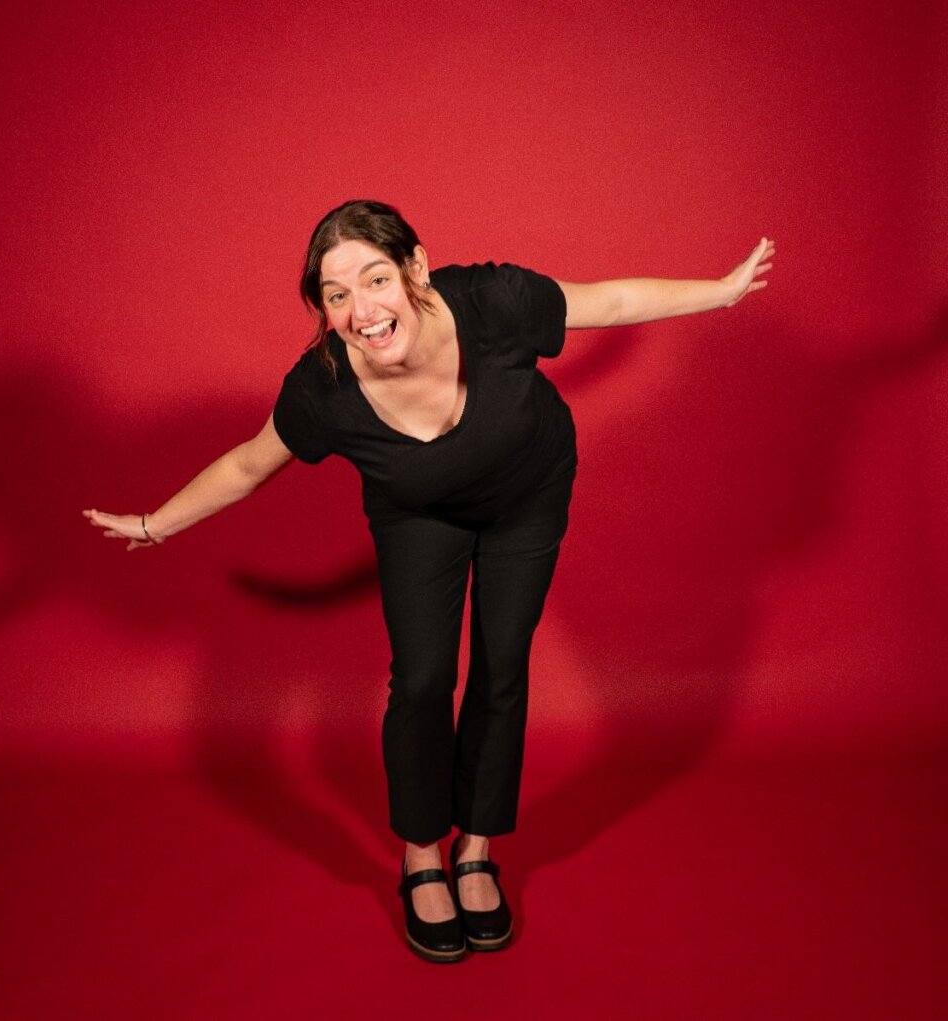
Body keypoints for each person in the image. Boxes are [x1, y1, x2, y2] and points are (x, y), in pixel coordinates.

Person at [84, 199, 775, 963]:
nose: (362, 310)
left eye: (376, 278)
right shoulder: (323, 388)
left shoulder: (492, 301)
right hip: (418, 513)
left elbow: (603, 301)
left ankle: (476, 847)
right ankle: (422, 853)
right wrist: (154, 524)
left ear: (415, 267)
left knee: (502, 665)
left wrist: (721, 289)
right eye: (336, 294)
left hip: (527, 497)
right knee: (421, 679)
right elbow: (250, 462)